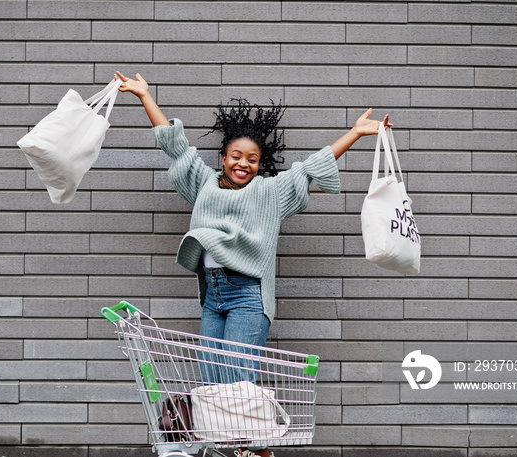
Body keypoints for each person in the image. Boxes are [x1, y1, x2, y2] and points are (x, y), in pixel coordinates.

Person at [115, 71, 390, 457]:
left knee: (238, 381)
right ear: (224, 158)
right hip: (213, 297)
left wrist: (356, 133)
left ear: (261, 164)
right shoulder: (204, 183)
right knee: (212, 381)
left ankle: (257, 449)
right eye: (236, 157)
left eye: (252, 160)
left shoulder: (269, 192)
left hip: (247, 296)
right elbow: (176, 147)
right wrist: (145, 96)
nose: (243, 164)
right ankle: (238, 447)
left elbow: (310, 169)